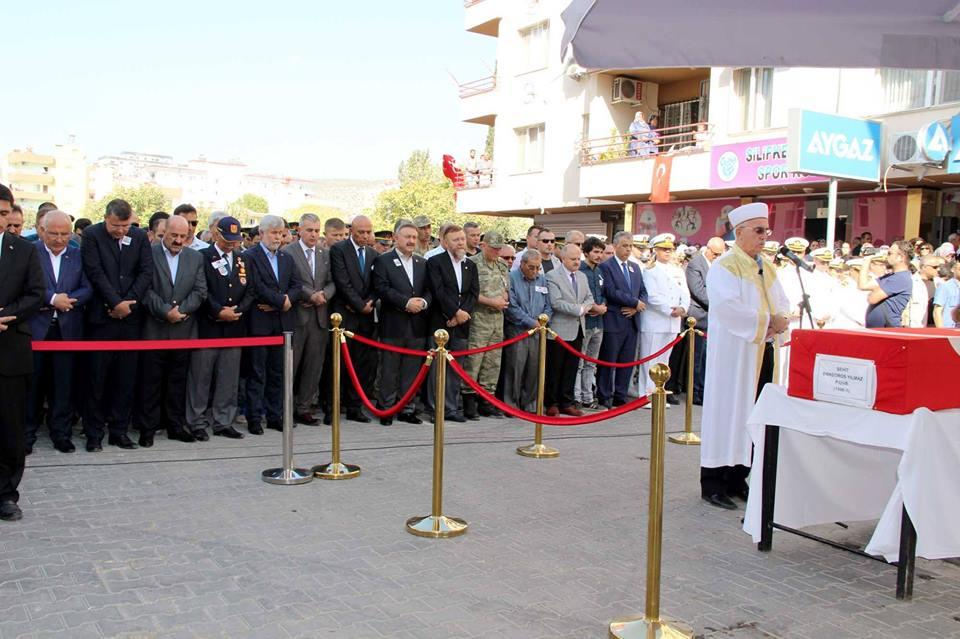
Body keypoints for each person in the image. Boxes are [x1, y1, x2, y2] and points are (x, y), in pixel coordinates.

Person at [700, 202, 790, 510]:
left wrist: (782, 319)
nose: (765, 237)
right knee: (727, 414)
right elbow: (728, 309)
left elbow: (782, 301)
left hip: (761, 351)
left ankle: (740, 479)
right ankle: (713, 483)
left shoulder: (766, 266)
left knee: (753, 416)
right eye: (759, 231)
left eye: (767, 230)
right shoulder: (726, 266)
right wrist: (767, 323)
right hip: (733, 357)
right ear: (739, 232)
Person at [82, 198, 154, 451]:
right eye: (116, 226)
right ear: (106, 218)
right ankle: (93, 433)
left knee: (125, 380)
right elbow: (94, 271)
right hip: (102, 319)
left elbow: (146, 271)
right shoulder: (92, 235)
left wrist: (128, 304)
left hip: (131, 320)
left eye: (126, 226)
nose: (121, 230)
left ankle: (119, 431)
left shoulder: (139, 236)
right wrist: (114, 303)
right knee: (97, 380)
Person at [137, 216, 207, 447]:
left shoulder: (195, 257)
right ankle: (147, 428)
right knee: (150, 382)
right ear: (163, 232)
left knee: (178, 381)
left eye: (183, 236)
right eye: (173, 235)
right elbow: (144, 289)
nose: (178, 241)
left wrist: (181, 311)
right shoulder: (149, 253)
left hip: (183, 330)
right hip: (155, 329)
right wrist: (165, 311)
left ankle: (175, 426)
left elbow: (200, 291)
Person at [26, 210, 91, 455]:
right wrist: (53, 298)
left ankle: (61, 434)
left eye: (65, 233)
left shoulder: (78, 253)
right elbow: (27, 285)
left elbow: (88, 287)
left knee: (63, 386)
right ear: (42, 231)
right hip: (37, 331)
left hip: (68, 330)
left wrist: (69, 301)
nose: (59, 239)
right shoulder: (30, 252)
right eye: (54, 233)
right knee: (33, 386)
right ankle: (27, 433)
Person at [0, 184, 45, 521]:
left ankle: (5, 494)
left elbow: (35, 294)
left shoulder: (24, 250)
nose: (0, 221)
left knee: (10, 428)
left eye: (4, 214)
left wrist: (7, 315)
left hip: (10, 350)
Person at [187, 216, 254, 440]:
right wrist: (218, 311)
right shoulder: (202, 256)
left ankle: (223, 421)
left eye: (235, 240)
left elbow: (250, 290)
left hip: (235, 327)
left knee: (229, 378)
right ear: (216, 234)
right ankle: (196, 421)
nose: (231, 244)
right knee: (201, 377)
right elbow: (201, 289)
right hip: (209, 327)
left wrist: (237, 311)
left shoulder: (243, 259)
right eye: (227, 239)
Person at [243, 215, 302, 433]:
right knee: (257, 371)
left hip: (282, 322)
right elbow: (255, 286)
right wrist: (280, 301)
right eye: (273, 233)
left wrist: (287, 300)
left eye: (280, 233)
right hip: (260, 322)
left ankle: (275, 415)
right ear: (261, 234)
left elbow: (297, 284)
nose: (277, 237)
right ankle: (255, 418)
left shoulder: (286, 258)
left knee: (278, 371)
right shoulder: (249, 256)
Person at [372, 221, 431, 425]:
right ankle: (386, 407)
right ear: (396, 239)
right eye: (407, 236)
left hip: (417, 324)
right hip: (394, 323)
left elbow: (429, 290)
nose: (411, 241)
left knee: (412, 370)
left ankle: (407, 407)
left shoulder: (421, 262)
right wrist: (405, 303)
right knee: (390, 368)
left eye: (414, 237)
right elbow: (382, 288)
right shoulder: (384, 261)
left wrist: (422, 302)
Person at [282, 213, 335, 425]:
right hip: (297, 317)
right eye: (309, 230)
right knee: (291, 366)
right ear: (300, 231)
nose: (313, 234)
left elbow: (333, 282)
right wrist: (308, 295)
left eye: (316, 230)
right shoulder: (288, 252)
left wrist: (323, 296)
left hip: (319, 317)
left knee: (314, 366)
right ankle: (285, 409)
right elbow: (288, 281)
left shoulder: (325, 253)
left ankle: (304, 408)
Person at [427, 224, 479, 422]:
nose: (460, 243)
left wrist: (462, 314)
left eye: (462, 239)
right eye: (456, 240)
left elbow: (473, 293)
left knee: (456, 367)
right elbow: (438, 292)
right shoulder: (435, 262)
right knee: (436, 368)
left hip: (462, 324)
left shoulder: (470, 265)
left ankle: (450, 408)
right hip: (440, 321)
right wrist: (454, 312)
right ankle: (435, 408)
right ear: (446, 243)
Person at [329, 215, 378, 423]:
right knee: (339, 363)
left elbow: (378, 283)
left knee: (360, 364)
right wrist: (359, 305)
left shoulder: (374, 254)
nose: (365, 236)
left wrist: (370, 302)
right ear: (351, 231)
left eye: (368, 232)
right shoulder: (339, 250)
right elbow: (342, 281)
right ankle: (332, 406)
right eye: (361, 232)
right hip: (345, 315)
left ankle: (354, 406)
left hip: (366, 317)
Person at [597, 231, 648, 408]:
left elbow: (643, 291)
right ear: (616, 246)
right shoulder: (607, 266)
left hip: (631, 321)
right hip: (614, 320)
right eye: (625, 246)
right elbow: (610, 291)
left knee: (626, 362)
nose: (628, 249)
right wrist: (634, 302)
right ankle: (604, 395)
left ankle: (621, 395)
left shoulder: (634, 267)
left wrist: (637, 306)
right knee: (608, 360)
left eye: (630, 246)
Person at [638, 233, 690, 405]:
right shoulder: (649, 271)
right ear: (655, 250)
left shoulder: (677, 270)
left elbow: (685, 292)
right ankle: (646, 394)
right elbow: (652, 296)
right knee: (650, 359)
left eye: (669, 249)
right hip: (655, 320)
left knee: (664, 361)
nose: (667, 252)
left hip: (672, 323)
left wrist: (683, 308)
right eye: (663, 249)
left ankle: (660, 393)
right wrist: (670, 310)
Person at [462, 231, 509, 419]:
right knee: (474, 360)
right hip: (479, 319)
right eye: (493, 248)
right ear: (483, 245)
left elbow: (506, 287)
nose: (497, 252)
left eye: (499, 248)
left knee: (493, 362)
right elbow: (469, 293)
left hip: (498, 320)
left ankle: (487, 399)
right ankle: (469, 399)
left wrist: (504, 298)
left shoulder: (502, 265)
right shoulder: (472, 263)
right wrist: (491, 302)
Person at [545, 244, 595, 417]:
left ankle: (567, 402)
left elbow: (590, 297)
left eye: (578, 259)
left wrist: (585, 307)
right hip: (559, 330)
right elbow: (556, 302)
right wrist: (579, 309)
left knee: (571, 368)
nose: (576, 262)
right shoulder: (552, 276)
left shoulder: (581, 276)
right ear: (563, 259)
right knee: (555, 368)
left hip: (578, 328)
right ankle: (551, 403)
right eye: (573, 259)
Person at [504, 250, 552, 410]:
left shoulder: (542, 280)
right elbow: (511, 307)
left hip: (539, 331)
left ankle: (530, 403)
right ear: (522, 264)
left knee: (534, 368)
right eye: (531, 267)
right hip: (518, 330)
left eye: (538, 268)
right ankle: (511, 404)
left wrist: (543, 319)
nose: (535, 271)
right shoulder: (511, 278)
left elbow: (548, 305)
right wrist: (531, 322)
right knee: (515, 368)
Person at [686, 237, 724, 405]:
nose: (717, 257)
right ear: (707, 249)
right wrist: (718, 303)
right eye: (715, 253)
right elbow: (698, 291)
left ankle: (703, 389)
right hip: (700, 316)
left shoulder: (718, 266)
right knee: (697, 359)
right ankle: (694, 392)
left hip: (713, 318)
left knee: (707, 359)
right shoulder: (696, 264)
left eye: (720, 254)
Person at [575, 236, 607, 410]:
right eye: (595, 251)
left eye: (601, 252)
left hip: (598, 322)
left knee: (591, 363)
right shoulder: (580, 270)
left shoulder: (600, 271)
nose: (599, 255)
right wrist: (592, 306)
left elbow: (604, 292)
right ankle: (577, 397)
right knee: (580, 362)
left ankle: (588, 397)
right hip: (584, 322)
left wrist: (603, 306)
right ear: (586, 252)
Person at [859, 241, 912, 328]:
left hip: (887, 331)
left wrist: (873, 292)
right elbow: (862, 285)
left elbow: (872, 299)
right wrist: (867, 259)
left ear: (900, 257)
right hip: (877, 331)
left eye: (890, 253)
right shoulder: (890, 277)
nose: (887, 256)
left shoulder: (901, 278)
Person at [933, 260, 960, 328]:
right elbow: (937, 312)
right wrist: (941, 333)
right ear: (953, 269)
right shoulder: (944, 287)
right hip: (950, 331)